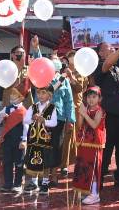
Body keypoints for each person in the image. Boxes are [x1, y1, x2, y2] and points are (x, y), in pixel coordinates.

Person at [94, 40, 119, 188]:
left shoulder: (117, 68)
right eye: (108, 48)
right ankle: (100, 178)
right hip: (107, 114)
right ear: (101, 53)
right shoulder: (100, 65)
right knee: (106, 147)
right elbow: (106, 65)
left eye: (112, 48)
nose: (111, 49)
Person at [72, 86, 106, 205]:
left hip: (95, 144)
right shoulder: (85, 108)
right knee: (84, 168)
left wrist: (84, 114)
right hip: (84, 142)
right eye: (88, 97)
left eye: (94, 97)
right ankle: (88, 191)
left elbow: (94, 125)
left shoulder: (99, 110)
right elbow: (80, 125)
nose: (91, 99)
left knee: (93, 168)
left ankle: (95, 194)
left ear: (99, 98)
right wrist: (80, 113)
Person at [23, 84, 58, 195]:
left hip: (46, 142)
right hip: (34, 141)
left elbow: (54, 123)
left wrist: (44, 121)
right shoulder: (32, 107)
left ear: (50, 95)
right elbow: (25, 120)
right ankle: (34, 183)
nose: (40, 95)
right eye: (38, 93)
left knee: (45, 163)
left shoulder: (52, 108)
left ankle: (45, 183)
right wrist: (32, 118)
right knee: (34, 161)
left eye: (43, 93)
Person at [46, 57, 75, 186]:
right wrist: (36, 50)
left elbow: (69, 101)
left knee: (56, 146)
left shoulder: (65, 81)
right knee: (44, 145)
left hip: (59, 118)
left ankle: (53, 175)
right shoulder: (44, 77)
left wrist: (70, 119)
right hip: (44, 117)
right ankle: (44, 176)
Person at [60, 50, 88, 175]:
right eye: (70, 57)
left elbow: (80, 89)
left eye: (74, 57)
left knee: (77, 135)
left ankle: (76, 161)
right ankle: (63, 164)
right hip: (63, 107)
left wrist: (71, 77)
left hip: (76, 108)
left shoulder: (81, 72)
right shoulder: (62, 72)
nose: (72, 59)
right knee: (66, 136)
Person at [0, 87, 27, 193]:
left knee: (19, 163)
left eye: (15, 95)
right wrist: (0, 115)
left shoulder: (24, 111)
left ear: (21, 98)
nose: (12, 97)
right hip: (7, 140)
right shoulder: (7, 108)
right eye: (11, 95)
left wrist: (24, 140)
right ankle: (8, 183)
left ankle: (18, 184)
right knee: (7, 162)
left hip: (19, 141)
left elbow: (26, 128)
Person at [2, 35, 39, 108]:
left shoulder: (29, 69)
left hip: (26, 105)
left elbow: (36, 84)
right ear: (13, 55)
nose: (21, 55)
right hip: (9, 105)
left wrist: (32, 69)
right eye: (19, 52)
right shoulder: (6, 69)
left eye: (23, 53)